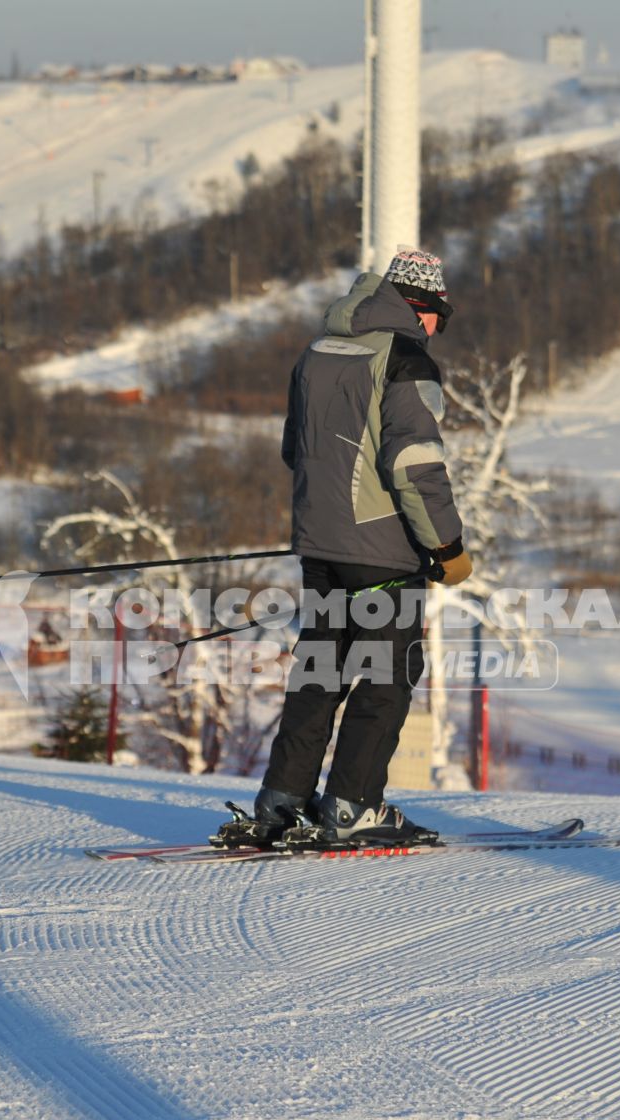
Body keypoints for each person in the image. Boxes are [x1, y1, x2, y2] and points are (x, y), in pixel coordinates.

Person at [245, 247, 473, 843]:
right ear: (417, 307)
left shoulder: (316, 352)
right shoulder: (406, 360)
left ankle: (282, 800)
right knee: (385, 674)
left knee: (319, 671)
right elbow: (415, 464)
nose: (437, 330)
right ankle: (352, 808)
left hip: (319, 547)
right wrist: (447, 546)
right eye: (438, 317)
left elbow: (296, 451)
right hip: (383, 553)